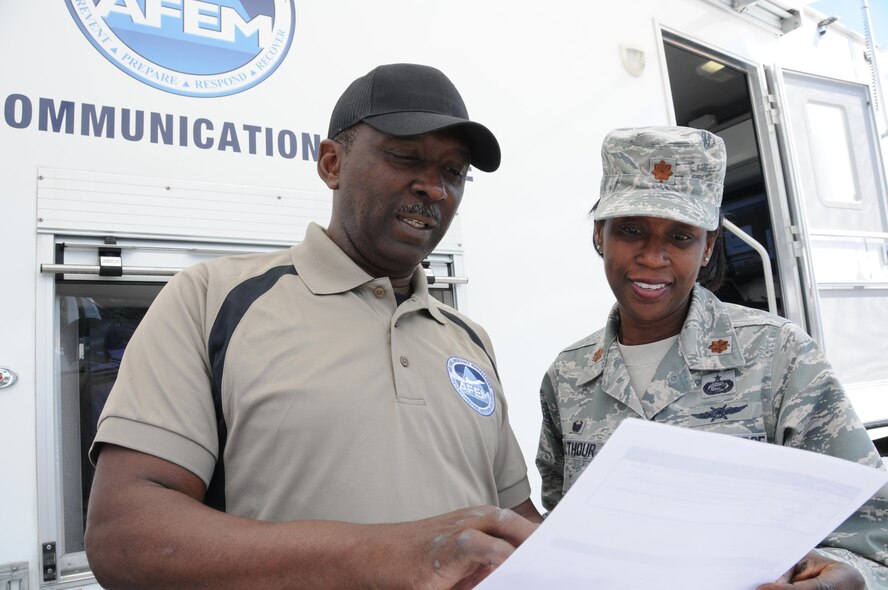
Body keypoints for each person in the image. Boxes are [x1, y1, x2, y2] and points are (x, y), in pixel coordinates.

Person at [85, 63, 541, 589]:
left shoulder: (467, 339)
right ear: (332, 163)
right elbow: (124, 536)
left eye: (454, 172)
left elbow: (514, 519)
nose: (435, 189)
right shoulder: (212, 299)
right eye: (405, 157)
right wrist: (388, 556)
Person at [536, 126, 888, 589]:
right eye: (632, 230)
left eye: (680, 237)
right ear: (600, 235)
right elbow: (563, 523)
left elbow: (872, 533)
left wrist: (849, 577)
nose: (653, 257)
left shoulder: (777, 355)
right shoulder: (569, 374)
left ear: (708, 248)